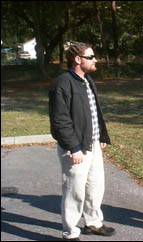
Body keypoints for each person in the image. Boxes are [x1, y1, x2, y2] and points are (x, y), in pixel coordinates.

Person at [49, 42, 115, 241]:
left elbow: (94, 112)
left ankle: (93, 223)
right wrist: (73, 148)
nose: (95, 60)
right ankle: (70, 233)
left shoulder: (87, 80)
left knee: (95, 187)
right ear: (78, 60)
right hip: (75, 148)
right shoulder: (62, 83)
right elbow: (60, 120)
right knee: (74, 191)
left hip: (92, 143)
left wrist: (101, 135)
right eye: (91, 56)